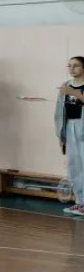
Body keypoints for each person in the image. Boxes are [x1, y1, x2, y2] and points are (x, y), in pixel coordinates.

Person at [55, 56, 84, 218]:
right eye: (69, 66)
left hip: (82, 127)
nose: (72, 69)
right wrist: (61, 134)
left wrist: (74, 93)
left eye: (76, 66)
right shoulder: (66, 85)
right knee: (74, 167)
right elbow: (60, 112)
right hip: (70, 127)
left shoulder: (74, 89)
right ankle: (80, 202)